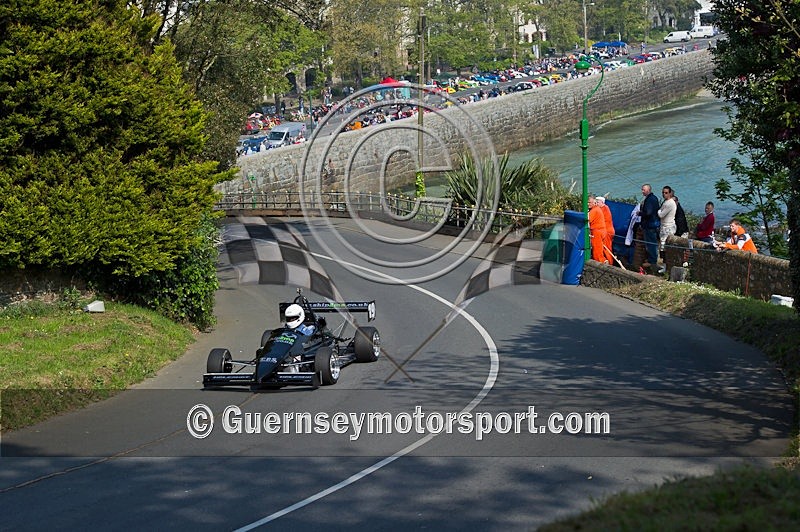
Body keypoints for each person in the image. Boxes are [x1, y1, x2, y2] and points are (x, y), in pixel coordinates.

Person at [639, 184, 661, 266]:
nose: (642, 191)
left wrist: (640, 213)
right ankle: (652, 259)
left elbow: (648, 212)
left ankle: (652, 261)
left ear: (648, 190)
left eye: (643, 190)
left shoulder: (649, 199)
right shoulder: (654, 198)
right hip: (653, 223)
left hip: (650, 224)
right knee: (653, 243)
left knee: (651, 243)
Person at [588, 195, 608, 263]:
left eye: (589, 202)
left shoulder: (594, 210)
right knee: (599, 249)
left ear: (594, 203)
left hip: (597, 231)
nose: (588, 204)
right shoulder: (597, 209)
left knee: (597, 250)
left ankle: (600, 263)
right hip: (601, 231)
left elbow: (587, 220)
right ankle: (603, 261)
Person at [657, 185, 677, 255]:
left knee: (664, 246)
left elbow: (661, 215)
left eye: (666, 193)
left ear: (670, 193)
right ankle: (664, 262)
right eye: (663, 192)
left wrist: (659, 210)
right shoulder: (666, 202)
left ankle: (665, 262)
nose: (664, 194)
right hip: (665, 226)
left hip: (668, 226)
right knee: (663, 245)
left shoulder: (670, 203)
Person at [596, 196, 615, 264]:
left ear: (602, 202)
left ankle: (610, 263)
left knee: (607, 248)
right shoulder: (605, 208)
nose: (596, 204)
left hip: (607, 231)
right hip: (606, 230)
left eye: (597, 202)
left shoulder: (604, 209)